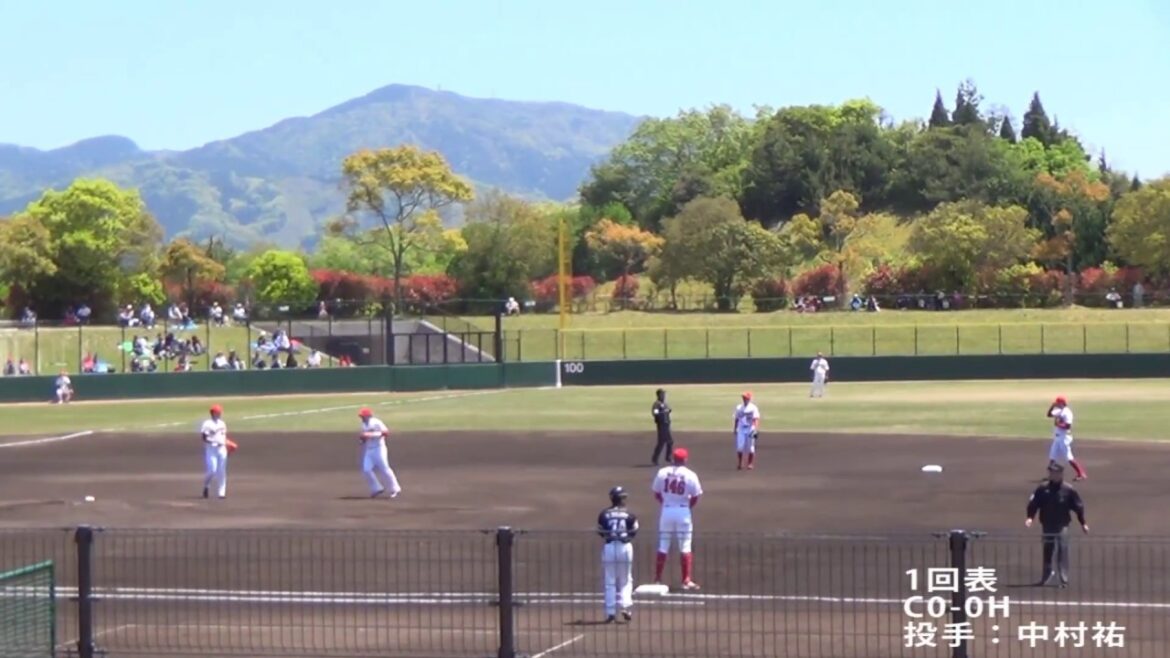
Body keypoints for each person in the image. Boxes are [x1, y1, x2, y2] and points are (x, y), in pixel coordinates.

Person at [1025, 463, 1089, 587]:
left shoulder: (1068, 490)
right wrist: (1030, 517)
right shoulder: (1042, 489)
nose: (1052, 475)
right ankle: (1046, 574)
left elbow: (1078, 507)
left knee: (1062, 549)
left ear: (1060, 474)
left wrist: (1083, 523)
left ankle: (1063, 577)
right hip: (1047, 523)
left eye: (1054, 473)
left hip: (1062, 524)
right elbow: (1033, 504)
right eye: (1050, 472)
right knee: (1048, 549)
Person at [651, 447, 703, 591]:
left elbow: (656, 493)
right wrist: (686, 507)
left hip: (666, 510)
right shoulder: (691, 475)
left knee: (663, 545)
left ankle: (657, 579)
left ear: (673, 459)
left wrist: (667, 503)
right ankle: (686, 580)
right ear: (685, 459)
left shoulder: (662, 472)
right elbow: (696, 496)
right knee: (685, 546)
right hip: (683, 511)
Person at [597, 486, 638, 623]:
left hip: (609, 547)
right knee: (625, 579)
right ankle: (625, 606)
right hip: (625, 547)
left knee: (610, 580)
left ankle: (610, 613)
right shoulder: (630, 514)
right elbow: (634, 531)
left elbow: (600, 531)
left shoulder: (604, 514)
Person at [358, 407, 402, 498]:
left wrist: (371, 435)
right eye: (361, 416)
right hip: (369, 450)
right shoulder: (363, 425)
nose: (361, 418)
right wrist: (362, 439)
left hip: (379, 449)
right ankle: (376, 488)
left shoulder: (376, 422)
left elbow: (385, 433)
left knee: (385, 469)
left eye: (363, 416)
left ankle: (395, 489)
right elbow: (364, 437)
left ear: (368, 416)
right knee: (366, 470)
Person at [1047, 396, 1087, 480]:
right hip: (1057, 438)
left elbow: (1068, 426)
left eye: (1057, 402)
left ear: (1062, 403)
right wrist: (1052, 406)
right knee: (1052, 456)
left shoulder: (1067, 412)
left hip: (1064, 438)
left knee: (1069, 457)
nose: (1056, 404)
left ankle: (1081, 473)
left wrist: (1058, 424)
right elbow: (1049, 415)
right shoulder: (1058, 410)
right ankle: (1051, 475)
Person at [200, 404, 230, 499]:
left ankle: (221, 493)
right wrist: (213, 441)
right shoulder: (207, 424)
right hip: (211, 449)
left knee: (222, 471)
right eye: (218, 412)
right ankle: (206, 486)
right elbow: (204, 438)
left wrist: (227, 444)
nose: (220, 413)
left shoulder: (222, 423)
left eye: (220, 412)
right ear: (213, 413)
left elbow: (223, 436)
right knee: (212, 470)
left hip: (222, 449)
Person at [733, 392, 761, 470]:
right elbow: (737, 418)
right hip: (741, 429)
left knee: (751, 447)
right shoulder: (739, 407)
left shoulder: (753, 408)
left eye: (745, 398)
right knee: (739, 447)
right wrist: (735, 428)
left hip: (751, 428)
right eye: (743, 397)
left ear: (749, 399)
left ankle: (750, 464)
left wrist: (755, 429)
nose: (744, 399)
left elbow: (756, 419)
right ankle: (740, 463)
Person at [650, 388, 673, 466]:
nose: (664, 395)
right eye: (663, 394)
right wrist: (663, 412)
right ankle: (655, 459)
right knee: (661, 442)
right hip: (661, 425)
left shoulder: (665, 403)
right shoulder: (656, 404)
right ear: (659, 395)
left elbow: (668, 410)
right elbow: (655, 413)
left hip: (666, 424)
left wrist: (668, 410)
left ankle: (668, 457)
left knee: (670, 441)